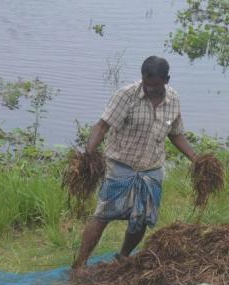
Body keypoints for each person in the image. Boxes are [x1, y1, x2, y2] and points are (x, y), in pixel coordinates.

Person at [72, 55, 197, 270]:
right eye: (146, 84)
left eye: (155, 85)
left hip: (152, 168)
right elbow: (102, 126)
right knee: (103, 214)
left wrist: (196, 159)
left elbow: (176, 134)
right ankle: (79, 265)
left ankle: (123, 257)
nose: (149, 89)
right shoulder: (126, 95)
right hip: (121, 165)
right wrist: (88, 154)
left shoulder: (173, 100)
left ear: (166, 80)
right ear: (142, 78)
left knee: (142, 218)